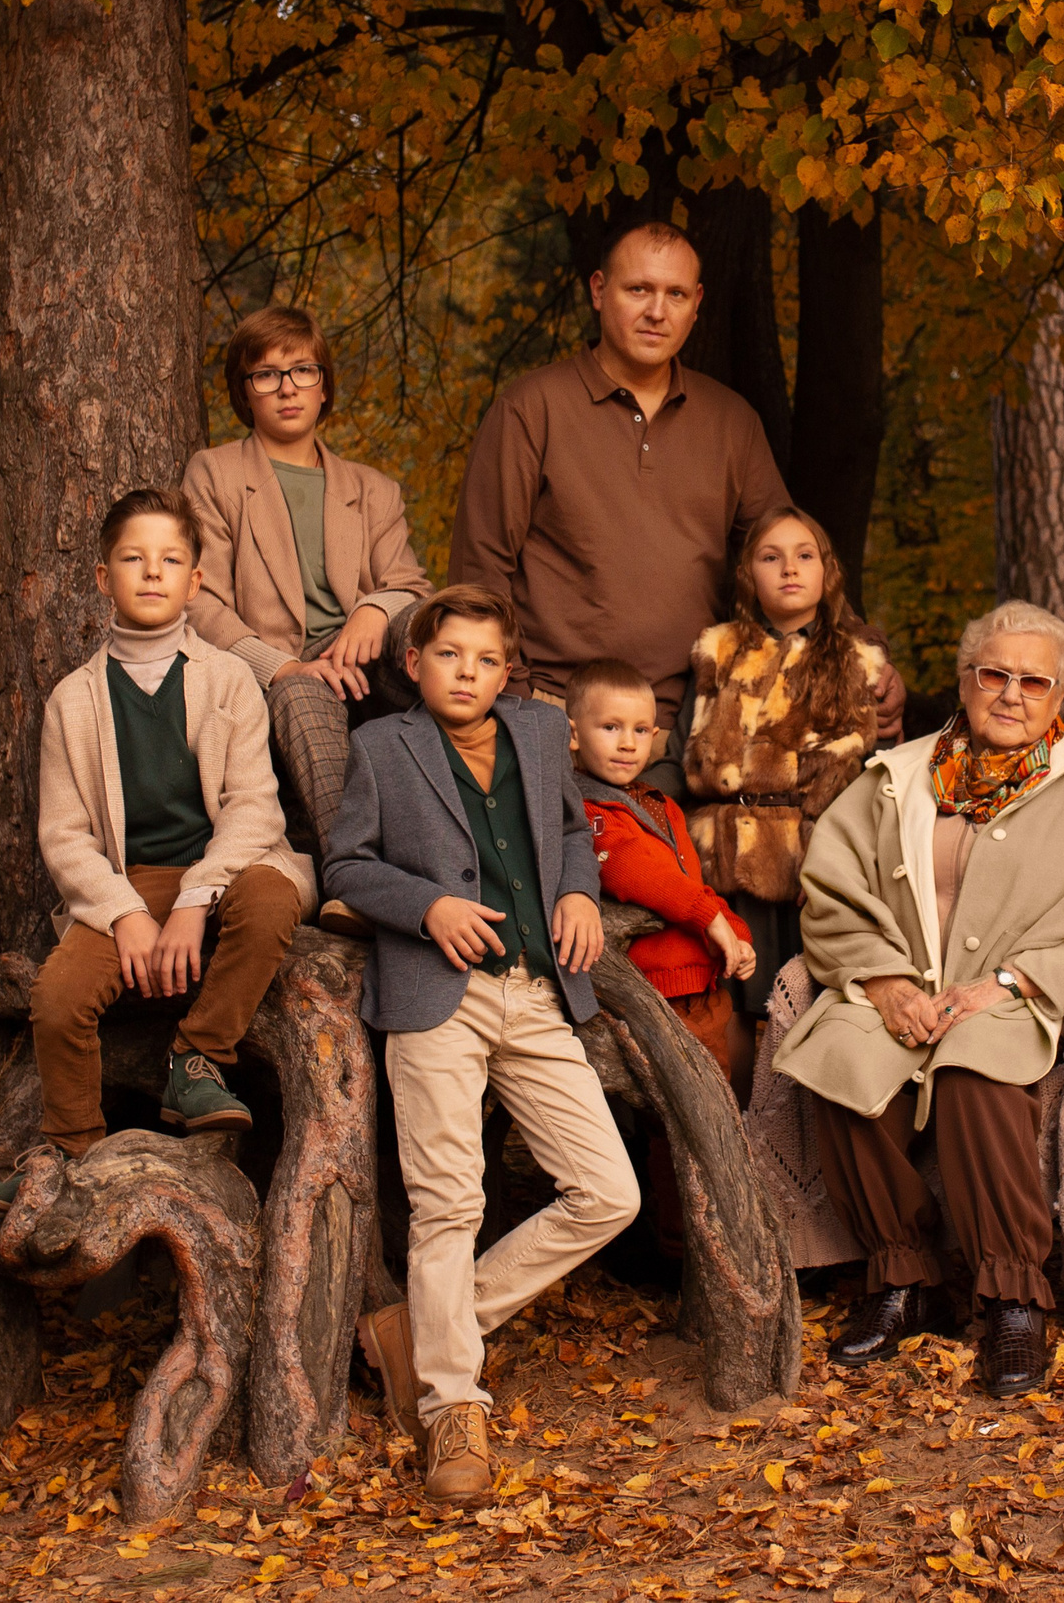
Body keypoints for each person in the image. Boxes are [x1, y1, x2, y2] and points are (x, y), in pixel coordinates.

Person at [774, 601, 1064, 1395]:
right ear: (964, 680)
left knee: (974, 1075)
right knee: (842, 1057)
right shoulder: (898, 775)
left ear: (1060, 698)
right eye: (995, 674)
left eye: (1033, 681)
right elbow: (831, 889)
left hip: (1011, 993)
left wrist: (1016, 982)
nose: (1011, 694)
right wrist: (880, 981)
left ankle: (1014, 1296)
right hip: (898, 980)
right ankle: (904, 1279)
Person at [319, 585, 638, 1506]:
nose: (467, 673)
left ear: (508, 671)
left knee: (609, 1192)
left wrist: (578, 892)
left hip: (536, 994)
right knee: (448, 1203)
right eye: (449, 655)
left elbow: (575, 832)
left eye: (485, 659)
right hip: (434, 997)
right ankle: (451, 1405)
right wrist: (427, 906)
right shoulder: (383, 746)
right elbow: (344, 864)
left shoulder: (541, 735)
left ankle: (423, 1329)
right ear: (414, 663)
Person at [450, 222, 901, 794]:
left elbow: (794, 559)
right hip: (556, 719)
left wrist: (867, 655)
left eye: (676, 295)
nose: (656, 311)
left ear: (696, 306)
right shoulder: (530, 408)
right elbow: (480, 575)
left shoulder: (731, 422)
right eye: (637, 290)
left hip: (692, 725)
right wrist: (515, 711)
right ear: (597, 291)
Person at [0, 489, 312, 1208]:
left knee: (272, 897)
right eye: (133, 558)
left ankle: (198, 1060)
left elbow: (256, 807)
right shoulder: (74, 699)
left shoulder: (227, 679)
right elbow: (65, 836)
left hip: (227, 870)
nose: (152, 572)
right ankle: (70, 1155)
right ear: (104, 577)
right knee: (59, 998)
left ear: (196, 581)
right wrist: (127, 914)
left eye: (171, 560)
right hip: (128, 885)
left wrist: (196, 899)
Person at [182, 304, 432, 916]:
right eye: (265, 375)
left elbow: (409, 583)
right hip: (289, 673)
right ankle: (356, 881)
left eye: (302, 370)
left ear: (324, 387)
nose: (287, 387)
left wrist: (373, 611)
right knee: (299, 696)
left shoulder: (372, 490)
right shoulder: (215, 474)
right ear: (245, 393)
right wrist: (282, 667)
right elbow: (203, 597)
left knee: (430, 624)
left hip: (368, 660)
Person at [682, 506, 893, 1019]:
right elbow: (683, 754)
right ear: (748, 574)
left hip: (810, 858)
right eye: (771, 557)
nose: (790, 569)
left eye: (805, 556)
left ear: (828, 572)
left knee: (800, 1003)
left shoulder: (855, 659)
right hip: (720, 857)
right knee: (726, 1006)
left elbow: (863, 775)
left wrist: (833, 863)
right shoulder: (718, 650)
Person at [571, 659, 757, 1095]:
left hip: (702, 987)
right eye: (611, 728)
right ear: (574, 734)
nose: (627, 743)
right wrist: (711, 918)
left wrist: (734, 933)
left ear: (656, 738)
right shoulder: (585, 810)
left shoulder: (662, 805)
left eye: (640, 731)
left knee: (713, 1104)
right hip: (652, 993)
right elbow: (636, 870)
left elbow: (690, 881)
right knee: (673, 1109)